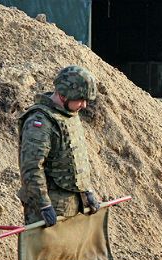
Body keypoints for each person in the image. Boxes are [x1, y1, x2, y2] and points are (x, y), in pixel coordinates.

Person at [17, 65, 101, 226]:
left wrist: (86, 191)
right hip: (50, 209)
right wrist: (44, 205)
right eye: (81, 99)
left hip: (72, 205)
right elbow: (32, 167)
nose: (84, 105)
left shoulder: (68, 115)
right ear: (64, 96)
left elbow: (75, 159)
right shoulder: (41, 122)